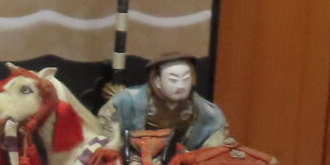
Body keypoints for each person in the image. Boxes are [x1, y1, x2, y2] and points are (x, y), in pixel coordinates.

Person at [97, 53, 231, 153]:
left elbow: (212, 153)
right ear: (157, 81)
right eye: (173, 79)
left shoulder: (209, 114)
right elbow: (106, 141)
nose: (180, 86)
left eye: (186, 79)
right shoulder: (126, 102)